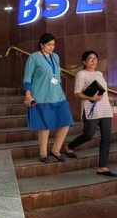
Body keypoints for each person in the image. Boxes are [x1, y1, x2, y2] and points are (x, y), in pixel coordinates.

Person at [23, 33, 74, 163]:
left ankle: (55, 150)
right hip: (41, 96)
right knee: (45, 126)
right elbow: (27, 78)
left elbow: (57, 75)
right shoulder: (33, 58)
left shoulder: (55, 57)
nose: (52, 47)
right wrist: (28, 95)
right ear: (41, 45)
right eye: (49, 44)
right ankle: (43, 154)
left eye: (53, 44)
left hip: (58, 95)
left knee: (66, 121)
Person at [64, 51, 115, 176]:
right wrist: (91, 98)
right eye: (90, 58)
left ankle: (102, 167)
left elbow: (102, 93)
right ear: (84, 62)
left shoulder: (99, 73)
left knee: (107, 138)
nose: (94, 60)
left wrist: (109, 98)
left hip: (105, 109)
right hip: (91, 109)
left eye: (95, 58)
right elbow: (77, 94)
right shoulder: (81, 74)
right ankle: (69, 146)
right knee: (88, 135)